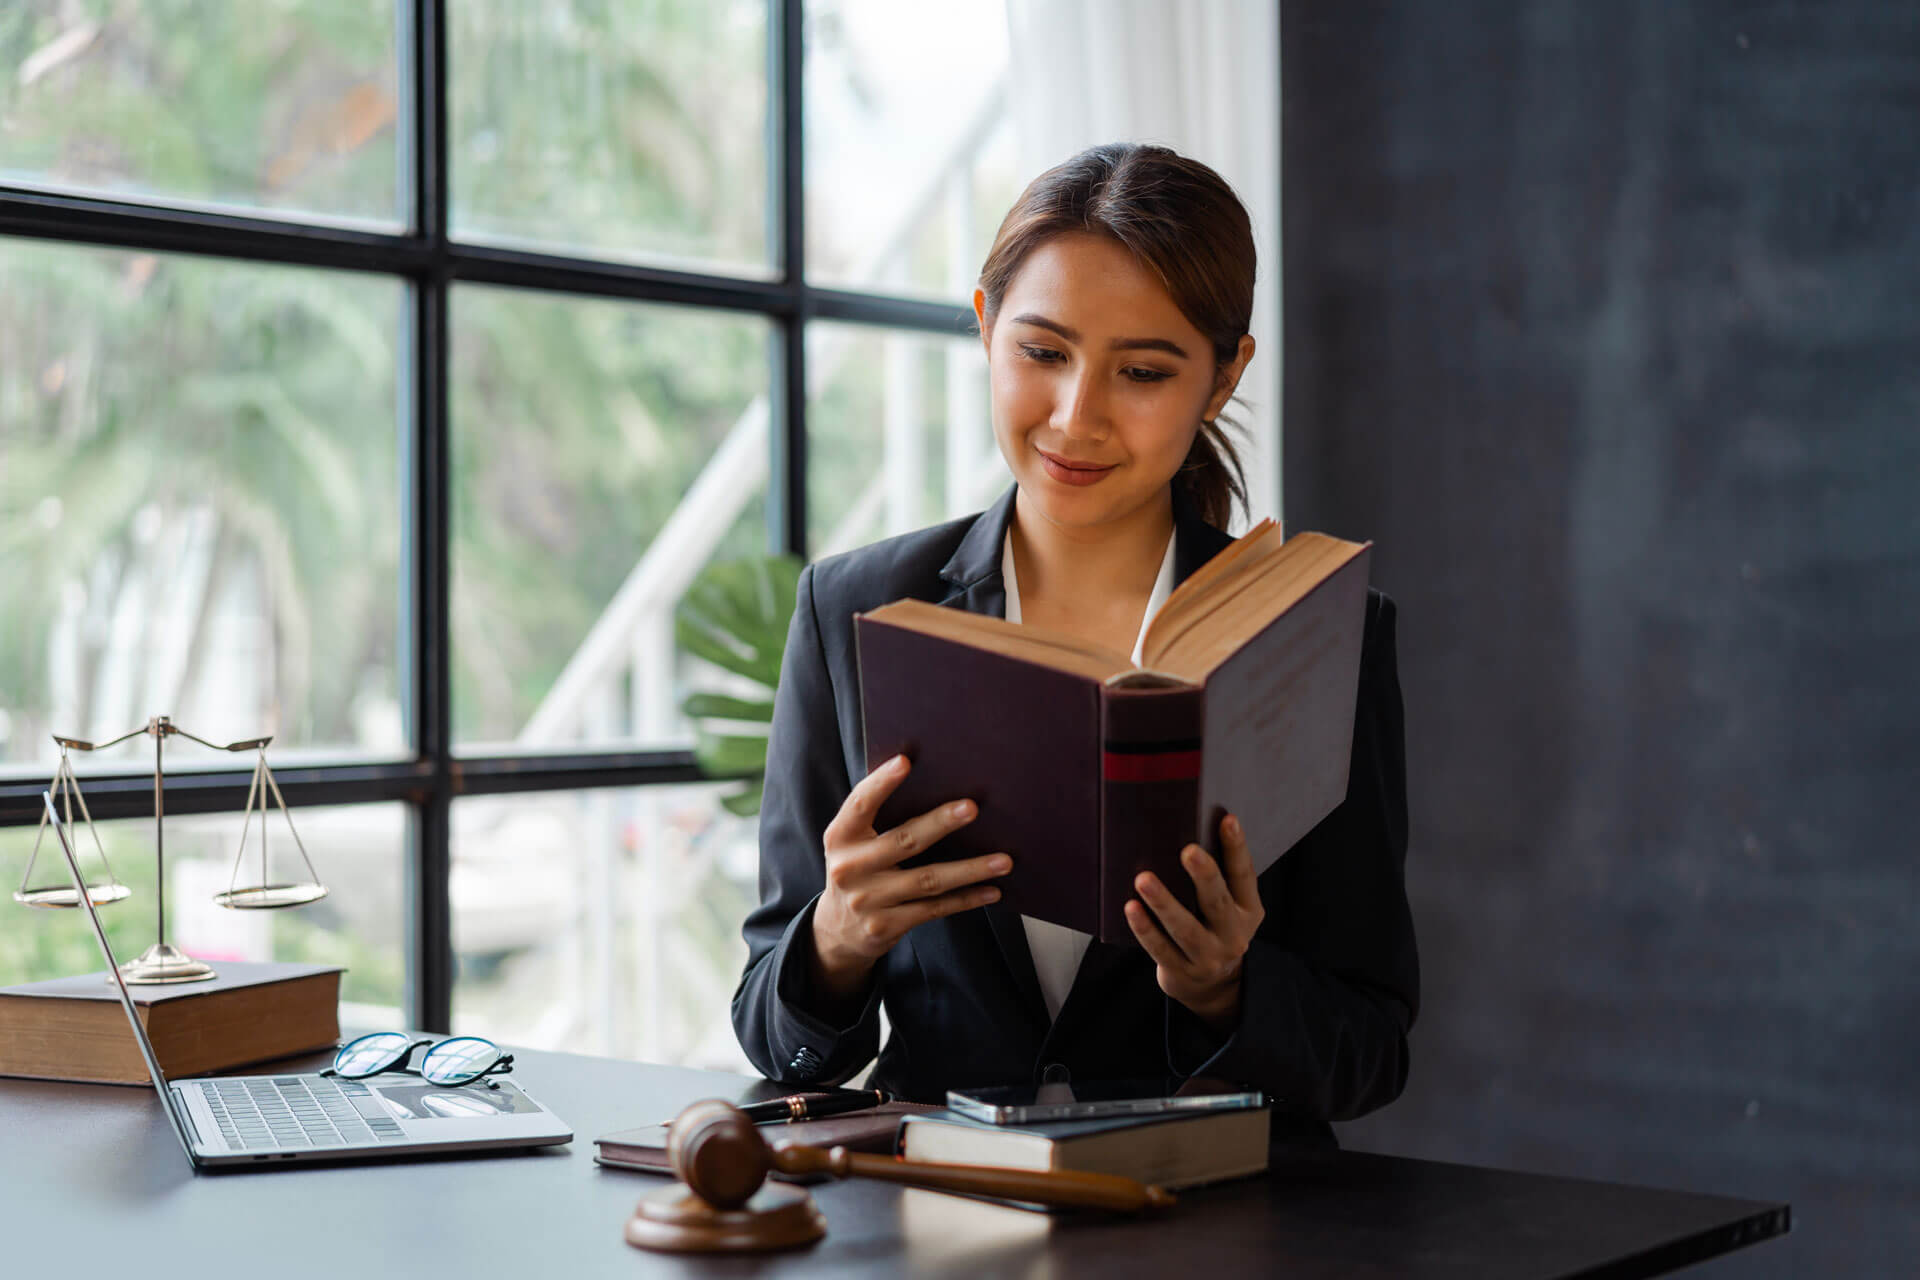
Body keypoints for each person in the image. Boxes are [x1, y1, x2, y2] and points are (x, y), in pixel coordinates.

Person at [731, 143, 1417, 1143]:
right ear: (984, 326)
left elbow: (1372, 1050)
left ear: (1224, 376)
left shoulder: (1319, 635)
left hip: (1213, 1233)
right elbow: (776, 1032)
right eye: (1043, 352)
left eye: (1142, 370)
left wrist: (1229, 987)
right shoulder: (858, 610)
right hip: (945, 1221)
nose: (1076, 415)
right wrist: (838, 933)